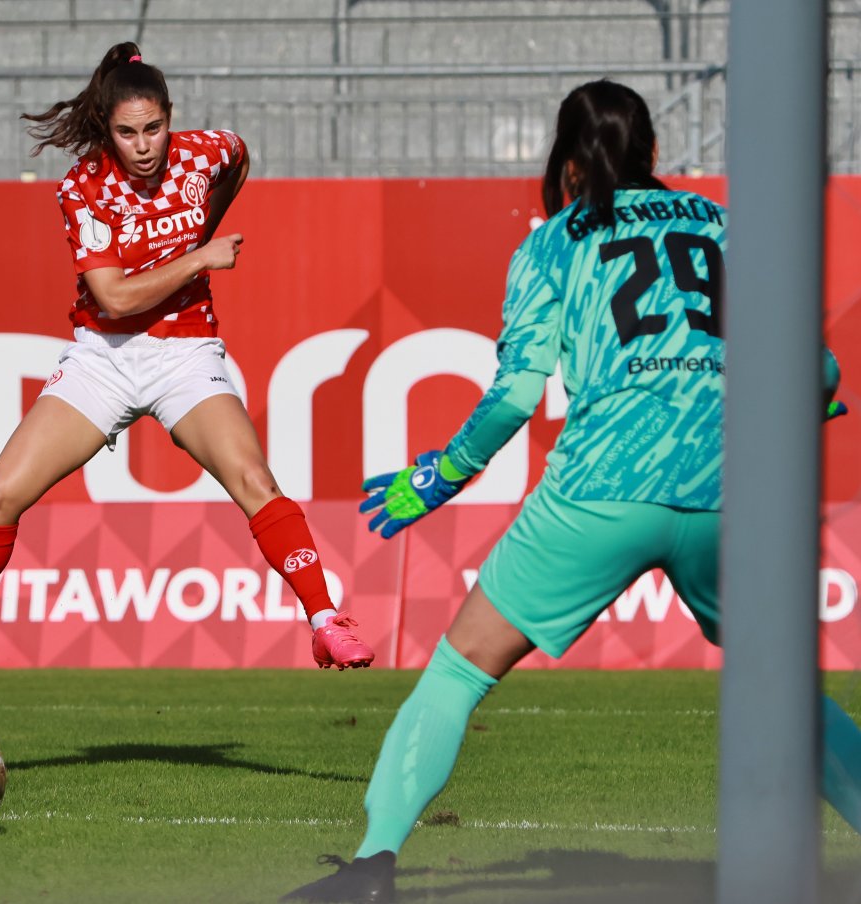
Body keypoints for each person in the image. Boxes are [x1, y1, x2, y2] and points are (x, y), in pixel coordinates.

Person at [282, 79, 857, 903]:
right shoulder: (730, 229)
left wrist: (440, 476)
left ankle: (374, 867)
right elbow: (819, 370)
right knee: (788, 695)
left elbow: (518, 394)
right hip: (727, 490)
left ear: (570, 163)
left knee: (458, 673)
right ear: (654, 151)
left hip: (602, 487)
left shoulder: (554, 242)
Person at [0, 42, 374, 712]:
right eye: (127, 133)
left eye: (154, 129)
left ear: (170, 118)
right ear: (107, 129)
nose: (144, 145)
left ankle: (327, 622)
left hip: (185, 354)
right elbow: (117, 298)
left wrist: (205, 226)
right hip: (105, 357)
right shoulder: (83, 188)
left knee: (253, 480)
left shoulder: (210, 151)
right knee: (0, 496)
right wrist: (200, 256)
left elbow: (238, 161)